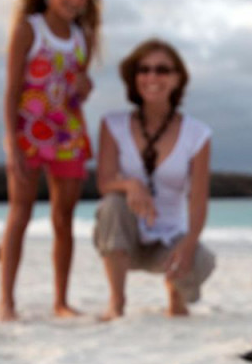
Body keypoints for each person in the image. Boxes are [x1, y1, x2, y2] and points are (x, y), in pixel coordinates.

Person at [0, 0, 101, 322]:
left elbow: (77, 89)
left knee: (64, 220)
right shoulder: (30, 29)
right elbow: (12, 90)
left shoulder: (82, 37)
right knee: (20, 214)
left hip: (68, 132)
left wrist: (85, 87)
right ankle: (6, 303)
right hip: (29, 131)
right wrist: (11, 141)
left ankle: (61, 301)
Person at [92, 39, 215, 320]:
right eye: (143, 70)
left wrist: (188, 244)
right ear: (133, 78)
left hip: (170, 238)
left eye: (162, 70)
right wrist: (130, 184)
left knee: (200, 259)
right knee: (112, 204)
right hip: (126, 236)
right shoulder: (113, 124)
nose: (152, 77)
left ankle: (175, 296)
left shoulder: (198, 134)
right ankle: (117, 301)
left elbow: (198, 200)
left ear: (177, 78)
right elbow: (105, 181)